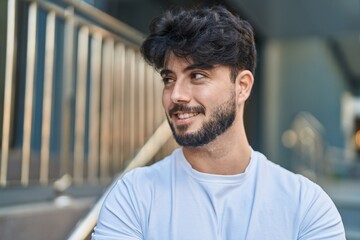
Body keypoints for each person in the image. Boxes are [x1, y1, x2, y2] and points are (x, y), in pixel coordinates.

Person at [92, 6, 345, 239]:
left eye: (198, 75)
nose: (176, 94)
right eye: (169, 79)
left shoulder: (306, 206)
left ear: (242, 87)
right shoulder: (133, 196)